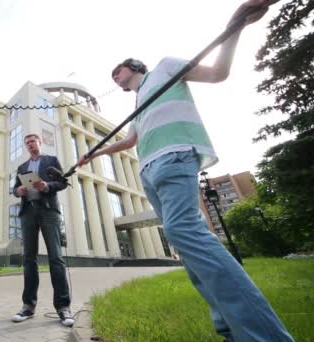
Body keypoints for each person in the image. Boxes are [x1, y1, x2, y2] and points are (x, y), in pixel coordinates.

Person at [78, 0, 294, 340]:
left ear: (132, 66)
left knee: (185, 233)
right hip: (148, 172)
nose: (114, 76)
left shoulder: (164, 68)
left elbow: (218, 73)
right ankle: (230, 330)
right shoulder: (138, 102)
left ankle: (264, 336)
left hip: (175, 157)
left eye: (116, 71)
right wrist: (95, 153)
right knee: (188, 254)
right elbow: (131, 139)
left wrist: (235, 26)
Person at [11, 133, 74, 327]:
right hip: (28, 212)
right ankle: (28, 306)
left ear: (39, 143)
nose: (30, 144)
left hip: (48, 212)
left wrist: (46, 186)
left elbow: (63, 182)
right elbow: (14, 189)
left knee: (56, 257)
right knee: (29, 259)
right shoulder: (22, 168)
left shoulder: (51, 160)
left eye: (33, 141)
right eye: (27, 142)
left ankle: (63, 308)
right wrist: (18, 191)